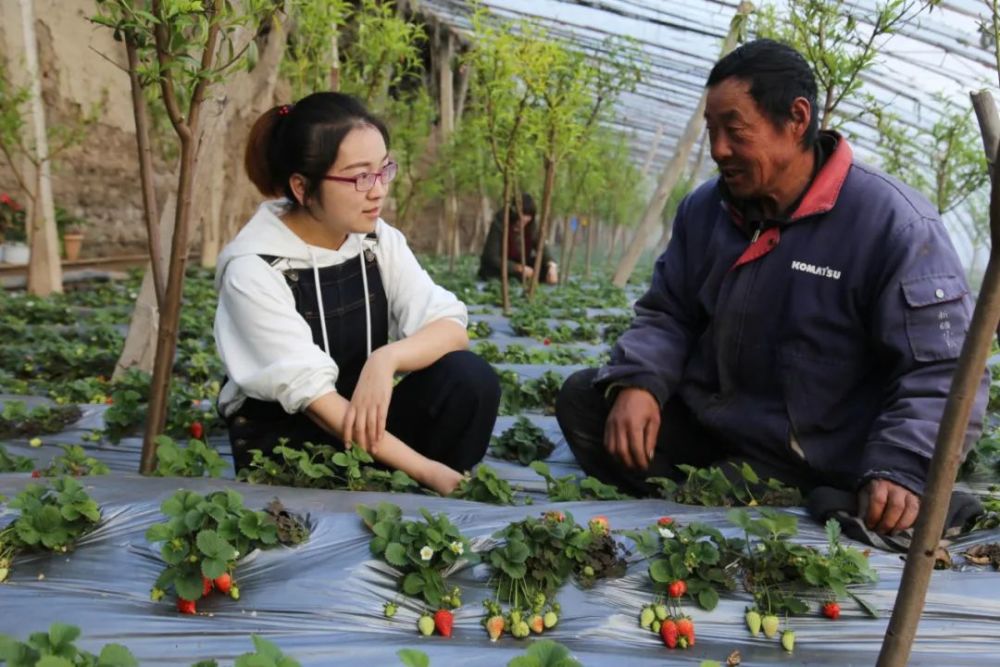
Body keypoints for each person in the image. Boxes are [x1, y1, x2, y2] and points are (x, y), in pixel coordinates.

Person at [556, 39, 988, 537]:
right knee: (586, 404)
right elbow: (668, 312)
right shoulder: (706, 211)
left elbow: (941, 370)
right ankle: (723, 498)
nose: (718, 150)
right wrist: (639, 381)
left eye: (734, 131)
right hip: (718, 429)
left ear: (797, 118)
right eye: (712, 132)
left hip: (824, 452)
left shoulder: (893, 225)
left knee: (866, 489)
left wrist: (902, 464)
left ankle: (781, 498)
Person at [214, 92, 500, 495]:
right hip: (294, 441)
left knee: (470, 380)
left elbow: (450, 328)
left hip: (365, 424)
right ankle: (413, 491)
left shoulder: (375, 241)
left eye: (384, 171)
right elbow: (317, 402)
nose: (378, 190)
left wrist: (386, 360)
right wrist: (428, 470)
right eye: (360, 177)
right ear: (302, 187)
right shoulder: (253, 268)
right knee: (389, 470)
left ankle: (410, 505)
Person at [478, 193, 558, 284]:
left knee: (543, 266)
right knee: (495, 271)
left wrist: (551, 265)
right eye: (520, 219)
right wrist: (518, 267)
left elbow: (542, 246)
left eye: (527, 220)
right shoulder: (500, 222)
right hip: (502, 268)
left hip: (522, 263)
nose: (523, 223)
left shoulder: (531, 226)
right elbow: (491, 257)